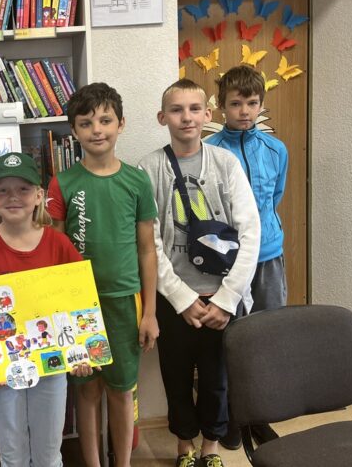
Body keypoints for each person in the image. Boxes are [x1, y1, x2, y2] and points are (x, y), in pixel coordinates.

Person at [139, 79, 260, 467]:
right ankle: (184, 445)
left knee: (215, 379)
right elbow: (150, 242)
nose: (186, 117)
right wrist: (181, 298)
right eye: (176, 110)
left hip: (221, 298)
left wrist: (227, 300)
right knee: (175, 377)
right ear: (162, 117)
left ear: (207, 115)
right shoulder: (149, 168)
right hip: (174, 299)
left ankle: (211, 447)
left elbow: (250, 232)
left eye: (194, 109)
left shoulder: (226, 164)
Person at [46, 82, 160, 467]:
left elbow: (147, 249)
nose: (97, 130)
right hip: (79, 305)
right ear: (74, 130)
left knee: (121, 390)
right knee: (87, 389)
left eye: (105, 120)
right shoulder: (62, 183)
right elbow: (55, 253)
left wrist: (150, 312)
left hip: (124, 301)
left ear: (121, 124)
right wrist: (61, 311)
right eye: (86, 123)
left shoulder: (137, 181)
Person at [0, 152, 84, 467]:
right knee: (12, 454)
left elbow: (78, 303)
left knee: (48, 454)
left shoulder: (59, 244)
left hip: (51, 366)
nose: (13, 197)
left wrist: (81, 352)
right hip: (3, 370)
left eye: (23, 189)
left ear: (39, 195)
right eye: (3, 190)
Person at [205, 65, 289, 448]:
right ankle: (230, 418)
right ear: (221, 106)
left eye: (252, 103)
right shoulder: (211, 152)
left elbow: (274, 197)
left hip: (268, 256)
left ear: (261, 104)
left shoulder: (276, 150)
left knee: (266, 337)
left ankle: (259, 416)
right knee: (231, 339)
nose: (244, 111)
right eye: (236, 103)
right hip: (227, 261)